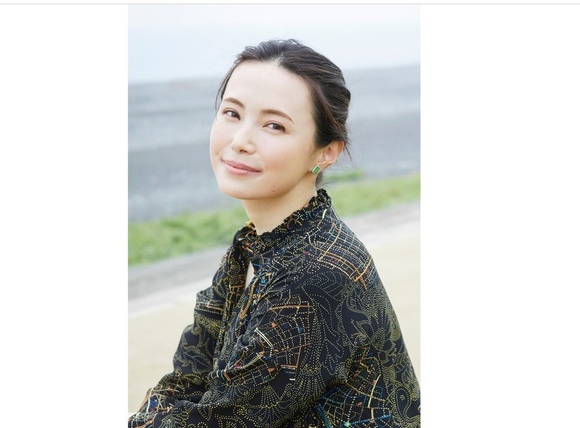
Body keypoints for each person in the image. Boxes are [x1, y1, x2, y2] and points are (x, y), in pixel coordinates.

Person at [128, 39, 420, 428]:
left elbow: (217, 421)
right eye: (232, 113)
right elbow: (187, 376)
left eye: (274, 125)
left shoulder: (316, 275)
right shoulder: (255, 247)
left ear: (326, 152)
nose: (239, 141)